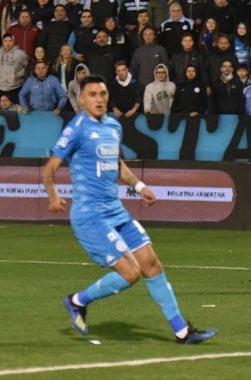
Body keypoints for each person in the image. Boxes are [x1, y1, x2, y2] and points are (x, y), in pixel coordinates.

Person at [42, 74, 218, 344]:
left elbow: (117, 165)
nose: (99, 99)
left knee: (151, 264)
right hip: (90, 215)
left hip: (116, 210)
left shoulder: (113, 126)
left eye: (103, 94)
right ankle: (77, 301)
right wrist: (53, 196)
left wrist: (139, 186)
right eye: (92, 95)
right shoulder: (76, 128)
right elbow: (49, 169)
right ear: (81, 99)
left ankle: (182, 331)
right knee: (130, 273)